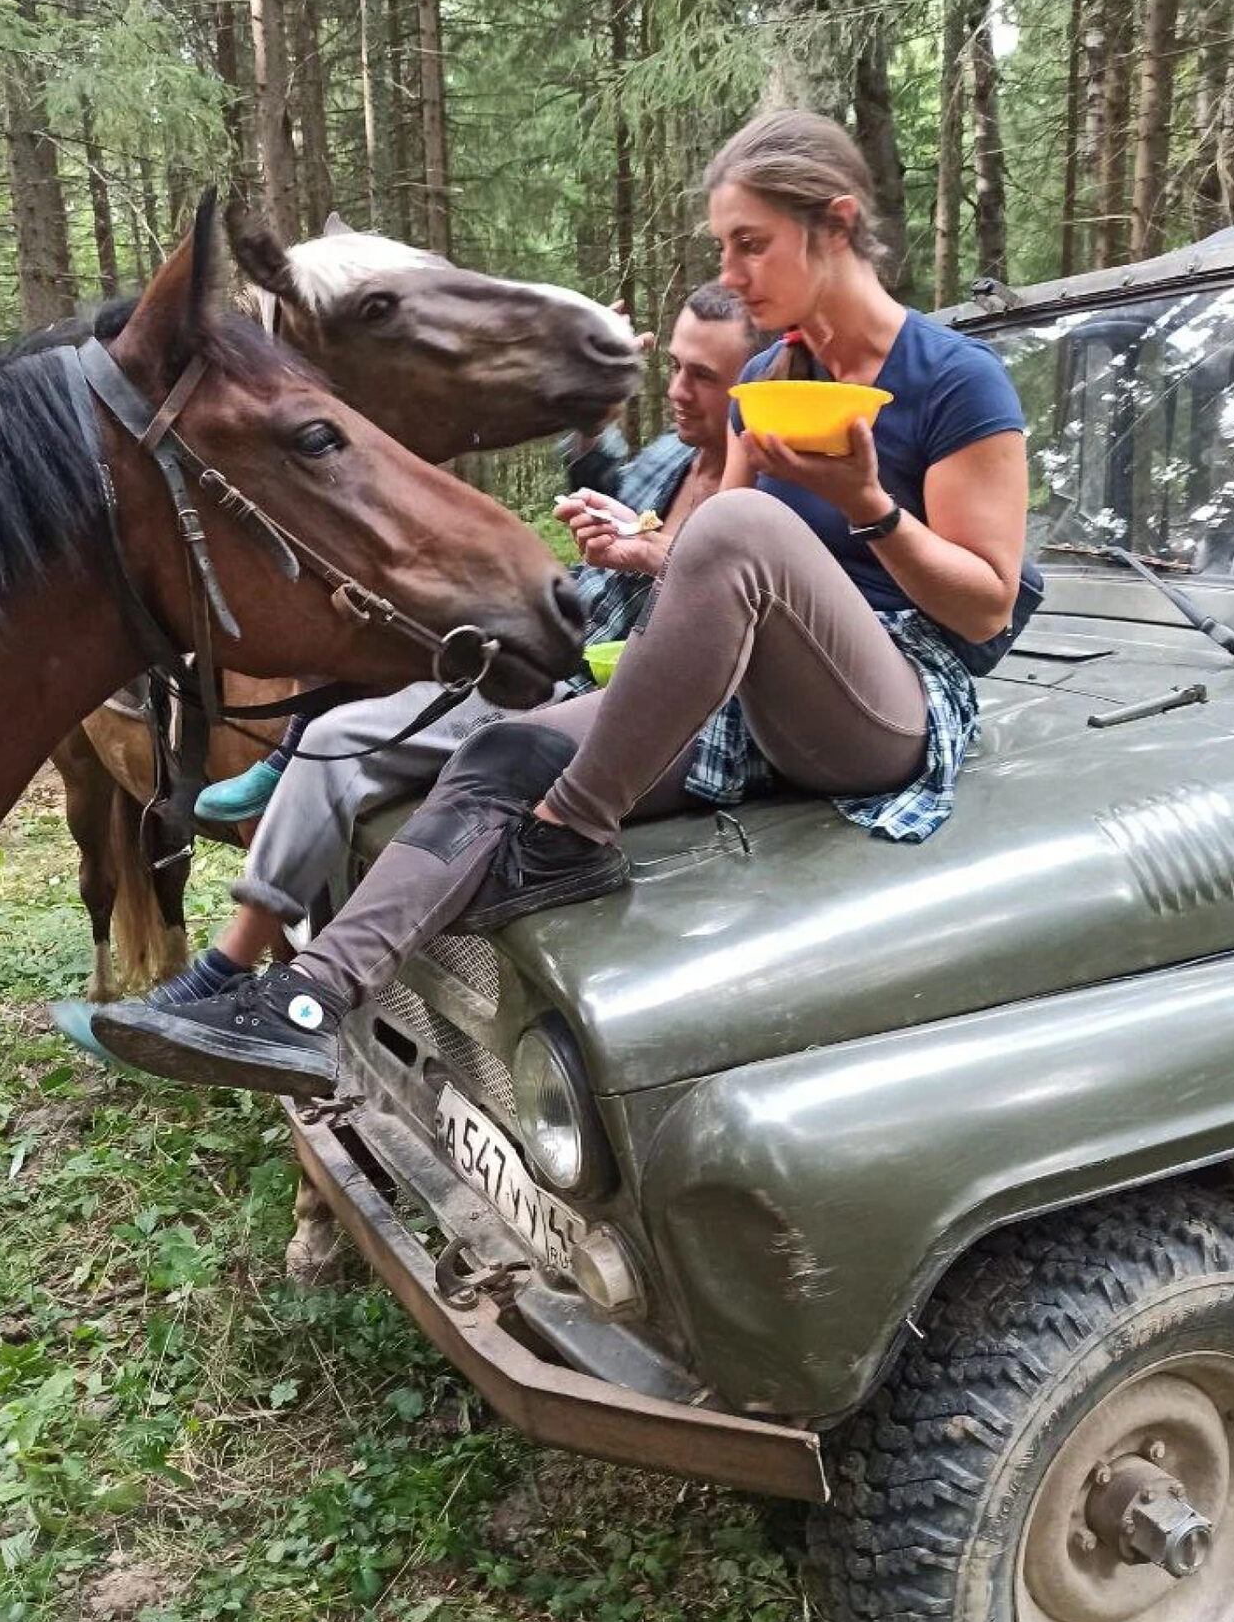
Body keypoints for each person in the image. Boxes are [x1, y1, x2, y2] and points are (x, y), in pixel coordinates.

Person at [91, 108, 1036, 1094]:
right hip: (755, 700)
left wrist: (871, 507)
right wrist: (646, 548)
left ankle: (568, 835)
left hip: (888, 711)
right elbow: (710, 561)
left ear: (834, 225)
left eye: (750, 244)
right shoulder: (766, 377)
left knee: (735, 535)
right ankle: (303, 999)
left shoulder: (956, 380)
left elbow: (982, 608)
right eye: (724, 245)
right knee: (502, 746)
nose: (736, 270)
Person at [79, 283, 766, 1037]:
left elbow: (743, 616)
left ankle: (321, 984)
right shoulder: (672, 459)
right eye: (674, 366)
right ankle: (229, 965)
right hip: (557, 673)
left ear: (754, 387)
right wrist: (592, 439)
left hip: (637, 705)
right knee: (340, 739)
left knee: (488, 756)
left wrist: (658, 557)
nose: (677, 390)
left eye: (705, 376)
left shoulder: (769, 495)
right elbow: (610, 489)